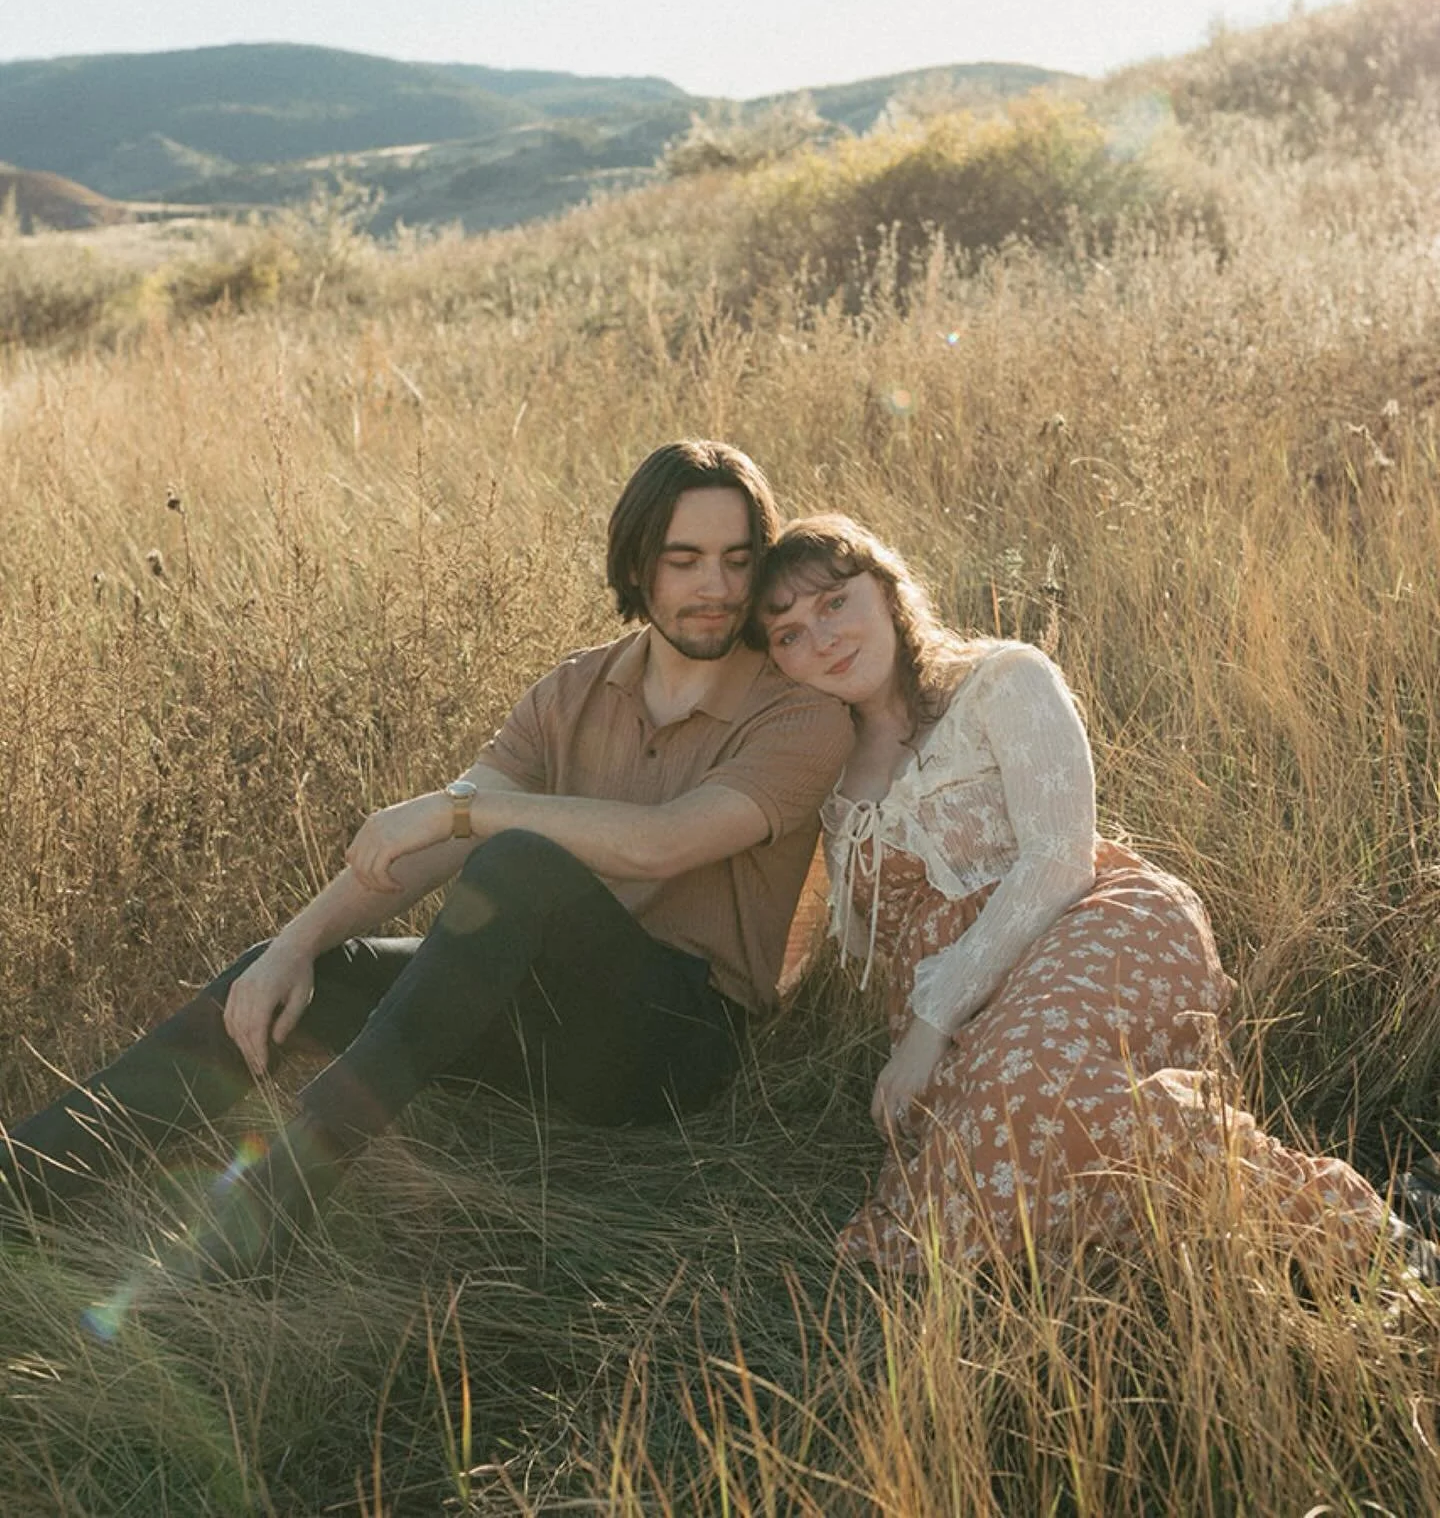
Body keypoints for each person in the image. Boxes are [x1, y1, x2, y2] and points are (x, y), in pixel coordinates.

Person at [0, 442, 853, 1275]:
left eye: (739, 560)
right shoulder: (574, 689)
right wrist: (292, 946)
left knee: (516, 864)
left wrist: (459, 810)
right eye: (685, 560)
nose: (717, 588)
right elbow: (429, 849)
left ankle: (273, 1204)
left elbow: (661, 842)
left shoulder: (800, 714)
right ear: (637, 565)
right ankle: (24, 1184)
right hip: (540, 1018)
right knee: (303, 974)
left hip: (677, 1045)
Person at [755, 513, 1433, 1279]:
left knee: (1032, 1082)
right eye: (789, 634)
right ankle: (1323, 1231)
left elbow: (1058, 858)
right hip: (969, 1007)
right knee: (1002, 1151)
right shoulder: (824, 770)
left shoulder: (1002, 679)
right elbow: (806, 935)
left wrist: (930, 1025)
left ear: (884, 587)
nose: (823, 639)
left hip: (1091, 923)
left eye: (835, 602)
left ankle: (1372, 1242)